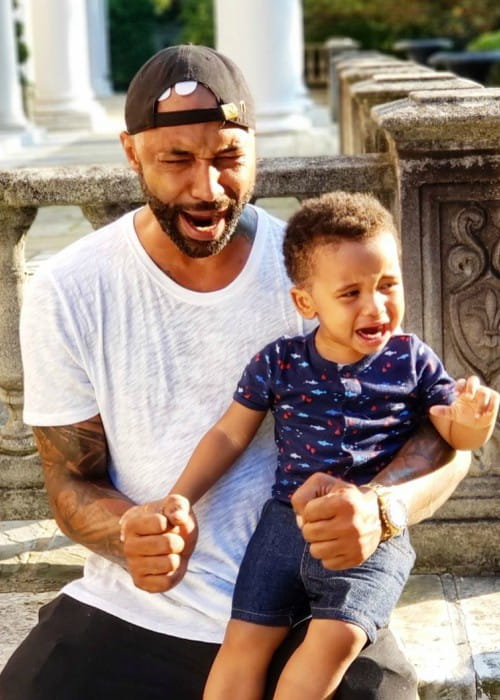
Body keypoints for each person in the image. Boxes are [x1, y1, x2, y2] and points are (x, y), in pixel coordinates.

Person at [0, 44, 470, 700]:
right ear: (131, 152)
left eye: (227, 157)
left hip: (310, 609)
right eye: (178, 160)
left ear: (256, 147)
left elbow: (449, 440)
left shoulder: (324, 276)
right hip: (136, 609)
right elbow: (70, 479)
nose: (208, 187)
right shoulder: (70, 288)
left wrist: (385, 509)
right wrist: (125, 531)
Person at [168, 191, 499, 699]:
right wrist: (182, 497)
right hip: (283, 525)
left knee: (336, 640)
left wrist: (472, 420)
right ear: (306, 302)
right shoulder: (280, 361)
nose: (377, 306)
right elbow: (228, 433)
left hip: (372, 535)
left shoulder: (412, 360)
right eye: (351, 294)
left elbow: (452, 440)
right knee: (245, 641)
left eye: (388, 285)